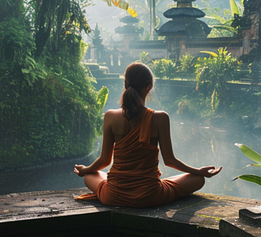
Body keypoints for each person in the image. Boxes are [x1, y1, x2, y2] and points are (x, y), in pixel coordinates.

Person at [74, 62, 222, 207]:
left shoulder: (110, 116)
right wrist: (198, 171)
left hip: (113, 195)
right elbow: (169, 161)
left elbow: (105, 161)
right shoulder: (160, 118)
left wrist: (85, 170)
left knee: (90, 175)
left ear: (125, 84)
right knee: (198, 179)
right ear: (149, 87)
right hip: (149, 196)